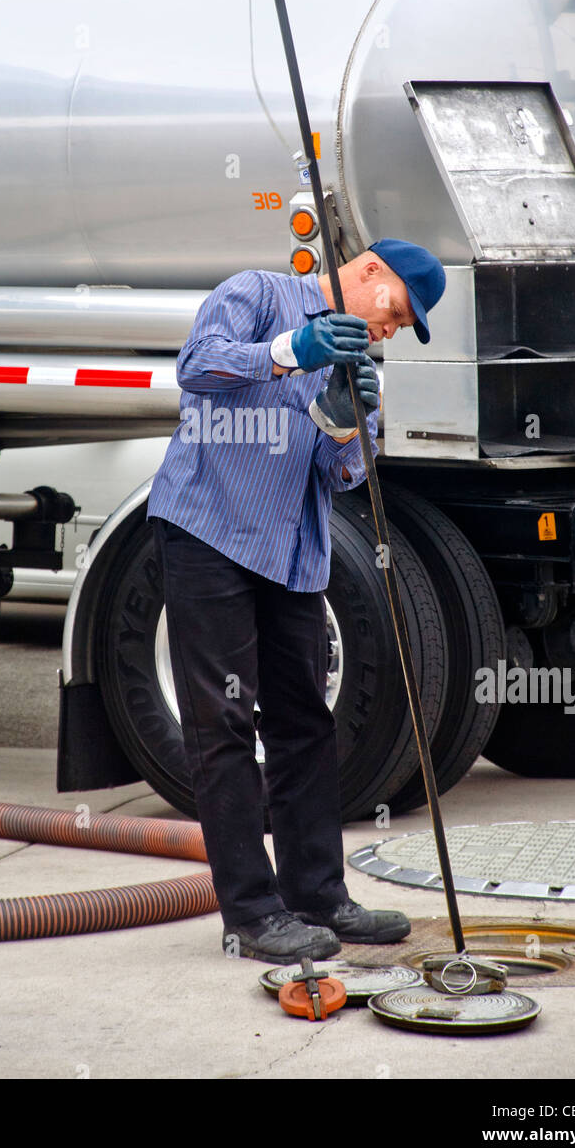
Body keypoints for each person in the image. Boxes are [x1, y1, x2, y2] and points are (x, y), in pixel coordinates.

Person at [147, 238, 447, 963]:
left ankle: (318, 895)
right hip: (209, 532)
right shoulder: (257, 293)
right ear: (370, 272)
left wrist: (341, 416)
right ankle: (251, 914)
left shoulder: (357, 362)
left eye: (401, 327)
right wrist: (291, 349)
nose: (390, 329)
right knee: (221, 723)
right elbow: (198, 369)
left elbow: (342, 473)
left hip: (292, 553)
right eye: (395, 312)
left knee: (305, 724)